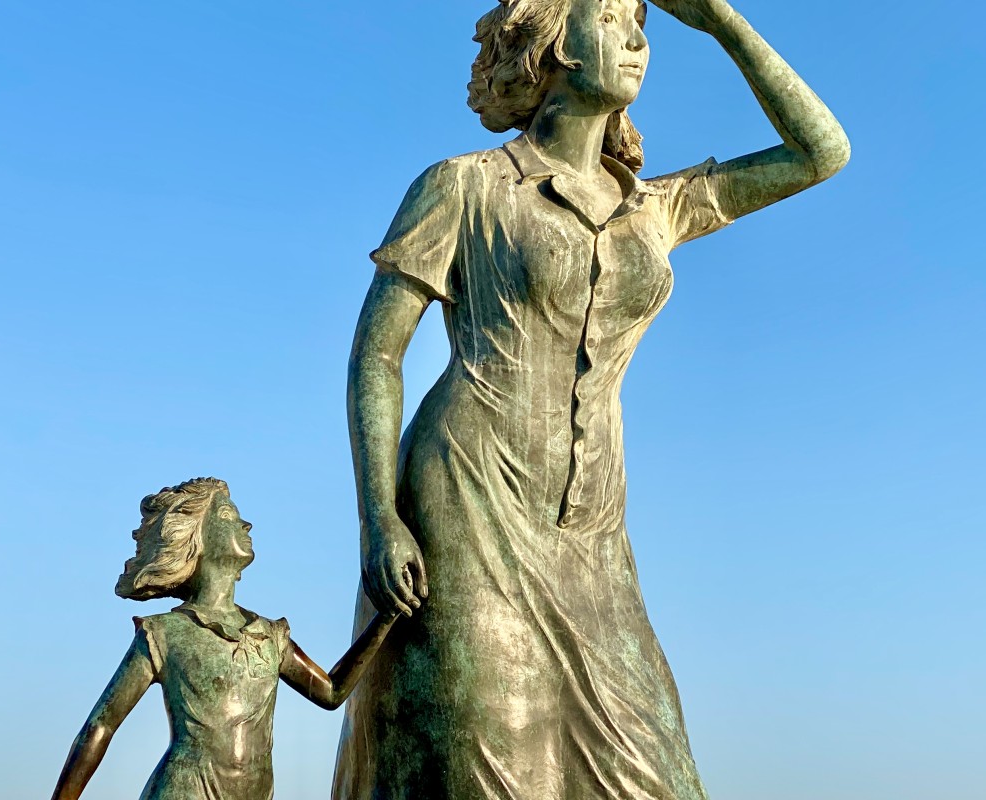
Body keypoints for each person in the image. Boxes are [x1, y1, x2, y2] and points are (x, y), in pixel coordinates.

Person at [335, 0, 849, 797]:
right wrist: (380, 517)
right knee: (488, 761)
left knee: (656, 773)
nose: (638, 37)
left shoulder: (656, 207)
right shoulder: (463, 187)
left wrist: (720, 21)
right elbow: (378, 351)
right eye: (610, 18)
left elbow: (821, 153)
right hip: (469, 495)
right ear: (555, 45)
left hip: (594, 528)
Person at [50, 478, 398, 800]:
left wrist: (386, 616)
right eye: (229, 515)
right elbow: (101, 724)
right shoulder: (164, 634)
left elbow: (332, 692)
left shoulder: (269, 635)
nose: (245, 524)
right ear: (196, 535)